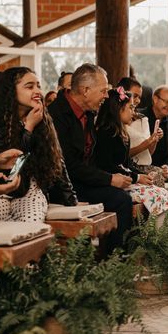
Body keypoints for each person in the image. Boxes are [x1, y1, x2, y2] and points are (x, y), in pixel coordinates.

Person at [48, 63, 133, 253]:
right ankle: (115, 264)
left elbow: (91, 159)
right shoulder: (57, 114)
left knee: (124, 195)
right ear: (85, 90)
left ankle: (113, 261)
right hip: (62, 188)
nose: (106, 96)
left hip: (82, 182)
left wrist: (114, 177)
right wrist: (110, 179)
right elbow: (68, 165)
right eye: (103, 90)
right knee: (121, 200)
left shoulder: (88, 113)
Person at [0, 67, 77, 222]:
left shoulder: (43, 118)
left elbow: (58, 160)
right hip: (0, 188)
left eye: (38, 86)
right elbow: (12, 167)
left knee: (30, 223)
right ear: (11, 90)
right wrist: (28, 129)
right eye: (29, 86)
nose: (38, 91)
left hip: (30, 188)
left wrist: (71, 200)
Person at [93, 88, 168, 217]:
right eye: (130, 108)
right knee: (158, 196)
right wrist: (137, 177)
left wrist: (139, 176)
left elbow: (127, 163)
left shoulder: (121, 132)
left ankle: (161, 235)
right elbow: (109, 166)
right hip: (112, 182)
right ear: (118, 109)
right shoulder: (107, 132)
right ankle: (151, 236)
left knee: (163, 193)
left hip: (124, 179)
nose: (133, 112)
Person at [139, 85, 168, 181]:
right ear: (155, 99)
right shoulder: (139, 117)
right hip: (141, 168)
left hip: (164, 168)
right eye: (167, 102)